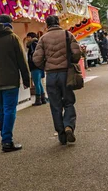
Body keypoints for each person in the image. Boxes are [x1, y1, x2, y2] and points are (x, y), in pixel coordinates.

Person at [0, 15, 31, 152]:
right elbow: (22, 60)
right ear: (9, 24)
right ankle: (7, 141)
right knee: (9, 109)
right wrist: (27, 80)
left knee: (1, 109)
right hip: (10, 80)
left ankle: (4, 135)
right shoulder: (13, 38)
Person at [33, 15, 81, 145]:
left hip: (51, 76)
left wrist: (46, 66)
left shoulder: (43, 39)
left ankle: (61, 135)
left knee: (55, 105)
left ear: (47, 25)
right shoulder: (67, 34)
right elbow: (77, 52)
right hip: (66, 73)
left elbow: (36, 59)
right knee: (69, 102)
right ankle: (69, 126)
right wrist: (71, 62)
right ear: (58, 23)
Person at [26, 32, 46, 106]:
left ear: (30, 37)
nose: (27, 39)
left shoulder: (32, 44)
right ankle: (43, 98)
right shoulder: (38, 43)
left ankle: (38, 100)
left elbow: (33, 55)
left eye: (27, 37)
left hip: (35, 66)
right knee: (39, 83)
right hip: (40, 66)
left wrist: (32, 63)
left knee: (36, 83)